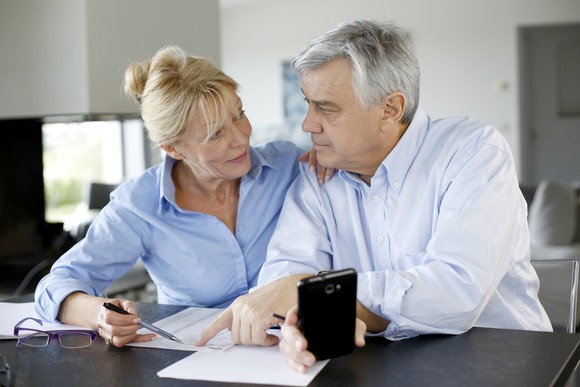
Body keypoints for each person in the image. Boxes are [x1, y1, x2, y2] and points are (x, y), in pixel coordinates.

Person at [197, 20, 552, 371]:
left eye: (327, 108)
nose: (307, 124)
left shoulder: (473, 153)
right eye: (308, 104)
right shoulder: (319, 176)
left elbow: (456, 294)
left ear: (390, 110)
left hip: (502, 364)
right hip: (373, 366)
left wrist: (319, 295)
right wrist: (295, 322)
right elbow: (284, 275)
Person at [34, 45, 331, 347]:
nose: (241, 138)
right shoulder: (140, 205)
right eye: (215, 134)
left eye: (239, 114)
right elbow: (56, 284)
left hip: (290, 348)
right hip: (195, 358)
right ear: (172, 148)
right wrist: (98, 315)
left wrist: (334, 155)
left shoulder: (288, 165)